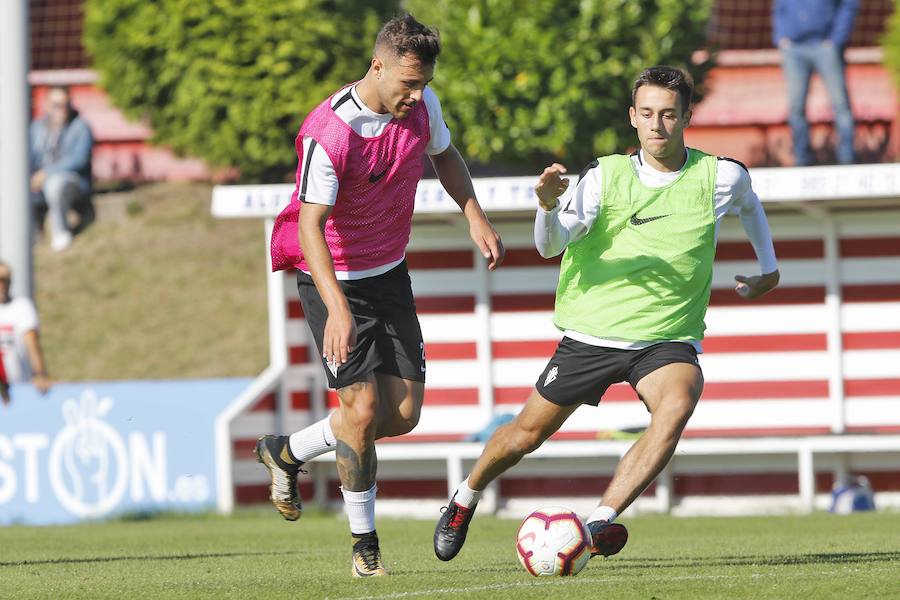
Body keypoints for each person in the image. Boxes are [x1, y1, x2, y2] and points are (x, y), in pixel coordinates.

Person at [433, 66, 780, 563]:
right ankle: (465, 497)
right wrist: (547, 207)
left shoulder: (721, 175)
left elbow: (750, 205)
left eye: (667, 114)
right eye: (646, 114)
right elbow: (549, 247)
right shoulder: (603, 177)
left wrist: (768, 269)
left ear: (686, 117)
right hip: (592, 334)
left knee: (676, 406)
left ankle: (596, 525)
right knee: (524, 435)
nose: (656, 125)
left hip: (666, 339)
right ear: (632, 118)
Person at [259, 14, 504, 577]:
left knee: (402, 415)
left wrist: (475, 216)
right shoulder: (329, 132)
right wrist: (337, 308)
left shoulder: (423, 107)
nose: (416, 97)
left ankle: (288, 451)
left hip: (389, 274)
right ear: (378, 66)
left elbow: (445, 155)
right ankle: (364, 548)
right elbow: (309, 227)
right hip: (333, 280)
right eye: (407, 84)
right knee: (362, 409)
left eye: (424, 85)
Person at [773, 0, 858, 166]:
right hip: (794, 48)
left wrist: (836, 39)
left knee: (840, 103)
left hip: (825, 45)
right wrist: (781, 36)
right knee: (796, 107)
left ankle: (847, 156)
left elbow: (849, 5)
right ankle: (801, 158)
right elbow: (779, 7)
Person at [29, 85, 95, 251]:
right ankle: (31, 232)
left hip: (71, 182)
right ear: (46, 105)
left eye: (65, 105)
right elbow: (27, 156)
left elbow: (79, 160)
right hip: (38, 181)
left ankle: (61, 232)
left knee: (56, 183)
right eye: (56, 105)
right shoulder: (36, 128)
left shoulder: (80, 127)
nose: (61, 110)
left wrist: (46, 173)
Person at [0, 261, 52, 404]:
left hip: (17, 387)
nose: (2, 285)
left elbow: (32, 344)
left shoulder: (21, 306)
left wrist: (40, 373)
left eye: (6, 280)